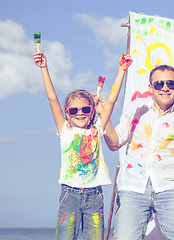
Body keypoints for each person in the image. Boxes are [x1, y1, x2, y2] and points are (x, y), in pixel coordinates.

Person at [103, 64, 174, 240]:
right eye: (159, 84)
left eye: (171, 84)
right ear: (150, 87)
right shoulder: (137, 108)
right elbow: (114, 143)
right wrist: (104, 118)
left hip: (171, 185)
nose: (165, 88)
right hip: (132, 186)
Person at [34, 51, 132, 240]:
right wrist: (44, 68)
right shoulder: (64, 130)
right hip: (68, 194)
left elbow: (111, 100)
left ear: (92, 111)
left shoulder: (97, 128)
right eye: (74, 110)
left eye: (85, 109)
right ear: (67, 114)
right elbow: (52, 98)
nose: (80, 113)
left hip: (95, 195)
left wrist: (121, 69)